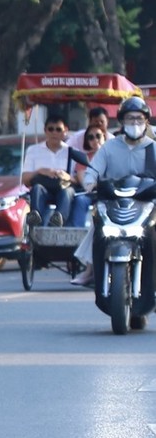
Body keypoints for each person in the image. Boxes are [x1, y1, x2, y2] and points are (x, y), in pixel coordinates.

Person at [72, 96, 156, 297]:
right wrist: (90, 183)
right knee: (99, 225)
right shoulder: (109, 147)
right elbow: (93, 171)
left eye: (138, 119)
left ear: (146, 122)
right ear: (121, 121)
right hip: (115, 202)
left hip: (147, 202)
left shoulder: (153, 147)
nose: (134, 123)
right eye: (129, 119)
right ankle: (91, 268)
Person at [22, 111, 84, 225]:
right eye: (51, 129)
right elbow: (25, 180)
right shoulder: (33, 150)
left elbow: (80, 181)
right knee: (37, 188)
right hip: (43, 187)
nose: (54, 133)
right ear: (45, 130)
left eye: (58, 129)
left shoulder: (73, 152)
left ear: (65, 131)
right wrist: (40, 171)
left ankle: (58, 219)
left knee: (68, 191)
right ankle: (36, 218)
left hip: (63, 188)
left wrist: (67, 177)